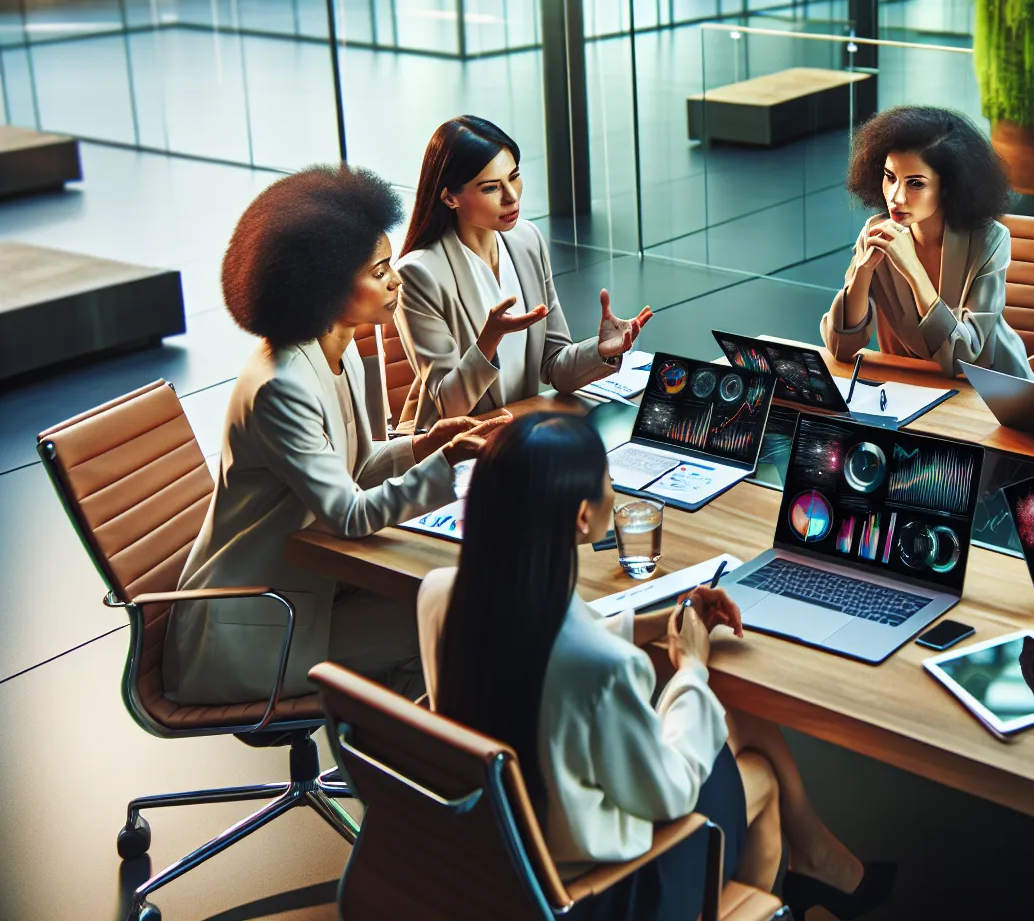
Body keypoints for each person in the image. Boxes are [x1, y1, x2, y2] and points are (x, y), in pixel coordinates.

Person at [417, 413, 894, 921]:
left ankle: (819, 864)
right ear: (583, 517)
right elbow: (671, 791)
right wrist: (691, 669)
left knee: (748, 742)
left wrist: (657, 622)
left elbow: (541, 646)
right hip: (594, 893)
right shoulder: (602, 669)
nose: (613, 485)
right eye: (606, 477)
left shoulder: (441, 594)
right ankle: (804, 874)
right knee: (761, 780)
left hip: (498, 861)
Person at [166, 166, 506, 706]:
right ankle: (418, 777)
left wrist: (426, 445)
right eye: (379, 270)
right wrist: (445, 467)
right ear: (322, 284)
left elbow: (356, 473)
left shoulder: (335, 351)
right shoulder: (283, 387)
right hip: (257, 627)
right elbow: (347, 516)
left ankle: (408, 771)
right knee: (462, 623)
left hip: (312, 592)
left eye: (390, 264)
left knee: (455, 607)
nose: (394, 280)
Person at [394, 116, 653, 432]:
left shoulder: (526, 240)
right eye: (491, 187)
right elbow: (450, 406)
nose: (511, 197)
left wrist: (599, 351)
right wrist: (489, 340)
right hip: (460, 445)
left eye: (513, 177)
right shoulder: (419, 274)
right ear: (449, 197)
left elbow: (554, 366)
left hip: (521, 428)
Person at [822, 105, 1031, 377]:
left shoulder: (989, 241)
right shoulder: (876, 233)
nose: (896, 197)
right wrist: (863, 271)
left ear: (948, 187)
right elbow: (841, 347)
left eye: (915, 183)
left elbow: (962, 358)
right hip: (910, 386)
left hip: (990, 390)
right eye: (890, 177)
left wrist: (914, 271)